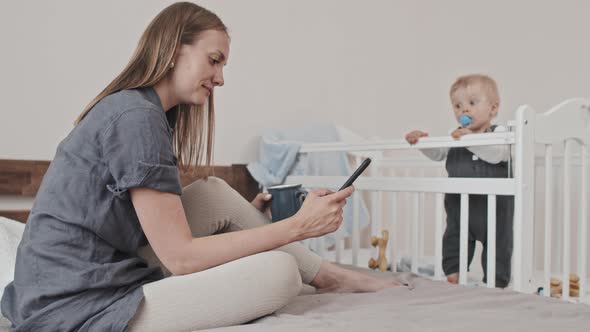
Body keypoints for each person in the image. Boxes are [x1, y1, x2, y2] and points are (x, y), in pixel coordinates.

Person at [1, 2, 400, 331]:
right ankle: (324, 274)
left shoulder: (138, 111)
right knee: (278, 272)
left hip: (79, 275)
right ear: (175, 49)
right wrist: (298, 226)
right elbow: (181, 258)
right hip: (72, 303)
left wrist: (248, 219)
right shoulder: (135, 118)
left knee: (212, 193)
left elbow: (148, 227)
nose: (221, 78)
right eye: (214, 61)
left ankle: (328, 274)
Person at [404, 74, 514, 288]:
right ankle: (453, 274)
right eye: (457, 105)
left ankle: (495, 282)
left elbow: (498, 154)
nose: (464, 110)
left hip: (493, 210)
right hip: (460, 208)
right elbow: (438, 153)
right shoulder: (455, 136)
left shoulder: (500, 134)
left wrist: (469, 139)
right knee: (454, 240)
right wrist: (422, 142)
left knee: (498, 246)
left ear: (493, 109)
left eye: (472, 103)